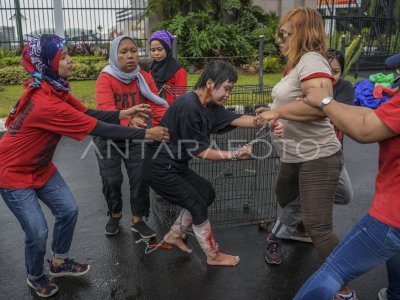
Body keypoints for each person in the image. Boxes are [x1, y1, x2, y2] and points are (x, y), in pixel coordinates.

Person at [0, 34, 168, 298]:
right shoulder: (47, 103)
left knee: (68, 210)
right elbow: (97, 127)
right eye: (63, 56)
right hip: (12, 173)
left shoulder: (53, 88)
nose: (70, 60)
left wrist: (123, 113)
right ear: (48, 63)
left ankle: (59, 261)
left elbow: (87, 113)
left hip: (40, 168)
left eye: (68, 54)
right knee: (37, 231)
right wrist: (148, 134)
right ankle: (35, 275)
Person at [254, 7, 355, 299]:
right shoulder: (297, 64)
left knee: (318, 227)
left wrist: (278, 112)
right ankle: (288, 229)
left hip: (317, 155)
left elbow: (320, 108)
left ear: (301, 32)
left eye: (284, 33)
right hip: (294, 154)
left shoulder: (311, 60)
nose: (280, 39)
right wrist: (275, 116)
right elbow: (298, 107)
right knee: (285, 198)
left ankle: (345, 290)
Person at [144, 60, 284, 266]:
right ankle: (212, 255)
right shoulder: (189, 106)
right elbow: (201, 152)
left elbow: (240, 119)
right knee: (196, 204)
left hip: (175, 165)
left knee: (206, 193)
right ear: (210, 83)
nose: (229, 94)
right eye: (226, 88)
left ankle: (175, 234)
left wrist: (266, 121)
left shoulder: (209, 106)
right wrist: (234, 154)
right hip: (158, 167)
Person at [293, 52, 400, 300]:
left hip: (392, 214)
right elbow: (369, 118)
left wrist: (325, 102)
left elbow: (363, 130)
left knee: (334, 269)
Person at [255, 48, 355, 245]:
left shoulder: (343, 88)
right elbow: (292, 108)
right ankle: (293, 230)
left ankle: (279, 232)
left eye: (335, 71)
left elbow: (331, 114)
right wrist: (275, 111)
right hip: (295, 152)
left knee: (343, 195)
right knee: (285, 196)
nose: (330, 77)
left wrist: (313, 106)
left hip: (326, 152)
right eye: (327, 71)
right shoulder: (305, 81)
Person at [94, 35, 169, 238]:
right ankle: (115, 214)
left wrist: (171, 123)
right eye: (124, 51)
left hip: (136, 135)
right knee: (112, 179)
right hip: (108, 135)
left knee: (140, 175)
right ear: (114, 55)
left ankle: (138, 219)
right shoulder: (105, 78)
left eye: (133, 51)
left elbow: (155, 105)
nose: (130, 56)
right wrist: (129, 121)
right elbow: (106, 111)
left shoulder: (143, 77)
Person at [149, 30, 187, 104]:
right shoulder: (151, 70)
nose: (156, 53)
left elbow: (181, 98)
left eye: (159, 49)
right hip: (153, 110)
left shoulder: (178, 71)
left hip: (170, 111)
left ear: (167, 49)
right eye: (153, 50)